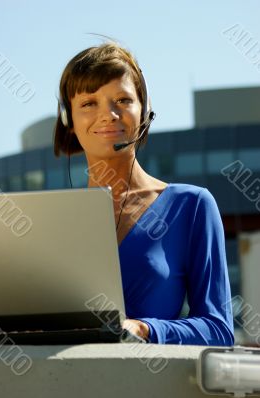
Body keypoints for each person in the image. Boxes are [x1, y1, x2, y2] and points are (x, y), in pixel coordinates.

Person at [54, 41, 234, 345]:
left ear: (144, 111)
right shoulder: (50, 220)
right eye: (89, 103)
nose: (108, 114)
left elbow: (218, 329)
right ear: (68, 120)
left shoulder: (191, 206)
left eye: (122, 100)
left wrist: (145, 329)